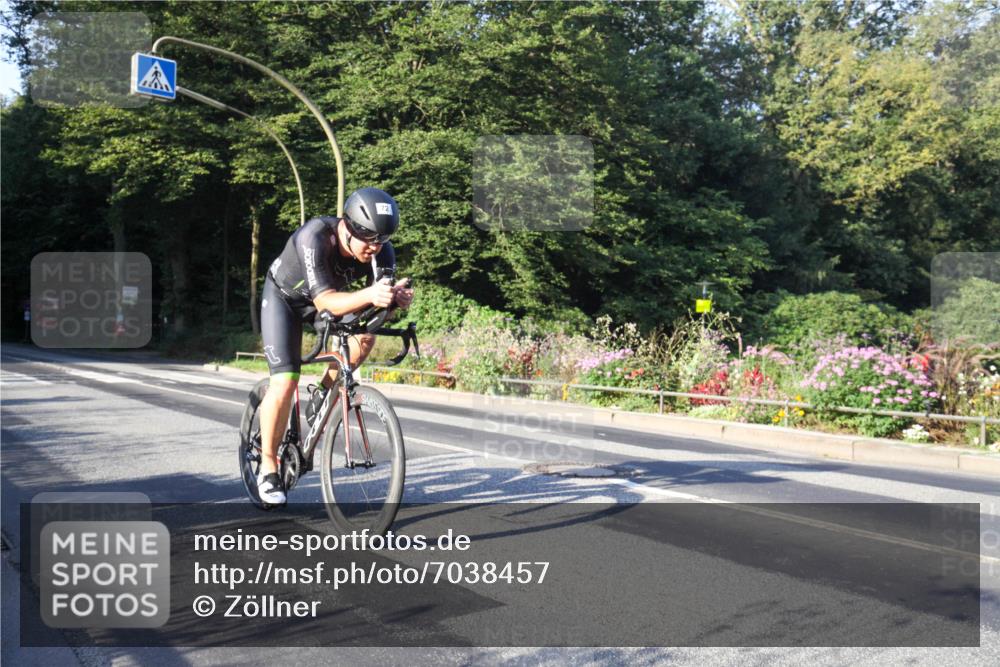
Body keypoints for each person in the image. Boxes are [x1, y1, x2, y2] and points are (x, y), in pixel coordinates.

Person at [256, 187, 414, 506]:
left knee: (364, 337)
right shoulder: (314, 237)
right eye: (368, 238)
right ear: (347, 227)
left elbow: (374, 312)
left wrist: (393, 302)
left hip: (327, 303)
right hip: (285, 301)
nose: (375, 247)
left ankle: (323, 391)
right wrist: (371, 294)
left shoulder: (382, 251)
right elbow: (326, 301)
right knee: (285, 382)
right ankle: (268, 466)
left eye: (382, 240)